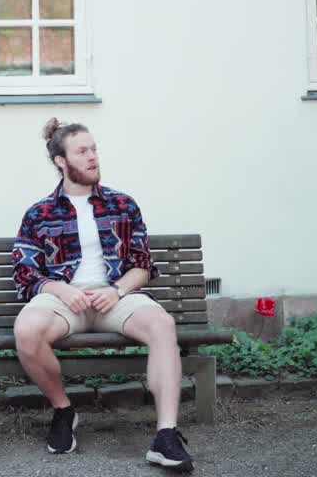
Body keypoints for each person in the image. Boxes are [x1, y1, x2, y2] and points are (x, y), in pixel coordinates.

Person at [11, 118, 195, 472]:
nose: (93, 156)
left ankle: (166, 436)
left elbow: (142, 264)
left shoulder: (122, 205)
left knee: (162, 324)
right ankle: (64, 411)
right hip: (64, 300)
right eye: (82, 151)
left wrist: (118, 290)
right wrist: (61, 289)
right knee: (26, 329)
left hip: (116, 294)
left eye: (94, 149)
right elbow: (25, 271)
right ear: (61, 161)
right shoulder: (39, 213)